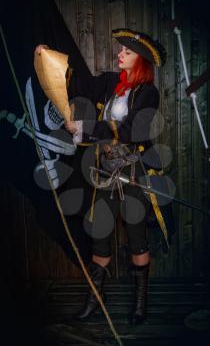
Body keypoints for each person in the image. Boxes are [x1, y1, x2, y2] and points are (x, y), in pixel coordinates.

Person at [35, 28, 167, 325]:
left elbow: (135, 130)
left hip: (133, 175)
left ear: (141, 61)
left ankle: (140, 303)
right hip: (103, 174)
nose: (120, 54)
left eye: (127, 52)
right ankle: (95, 300)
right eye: (121, 50)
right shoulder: (110, 84)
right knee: (100, 237)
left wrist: (87, 129)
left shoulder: (149, 94)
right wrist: (49, 57)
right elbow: (78, 81)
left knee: (137, 239)